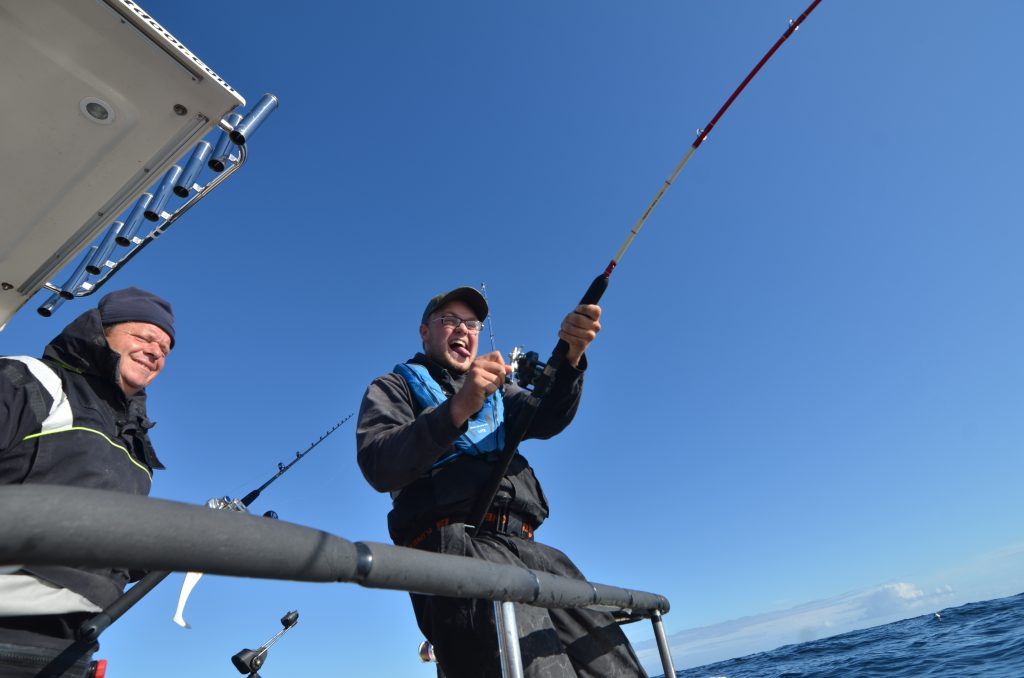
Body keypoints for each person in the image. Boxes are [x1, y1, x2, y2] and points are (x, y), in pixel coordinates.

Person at [357, 286, 646, 677]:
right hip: (456, 552)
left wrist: (571, 357)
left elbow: (544, 415)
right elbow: (379, 464)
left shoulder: (500, 392)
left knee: (614, 665)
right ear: (425, 332)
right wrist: (459, 406)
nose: (463, 328)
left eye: (472, 323)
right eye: (449, 320)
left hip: (530, 549)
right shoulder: (392, 388)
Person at [0, 287, 175, 677]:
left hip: (68, 651)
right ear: (101, 331)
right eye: (144, 337)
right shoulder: (31, 380)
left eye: (165, 348)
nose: (155, 352)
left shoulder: (136, 449)